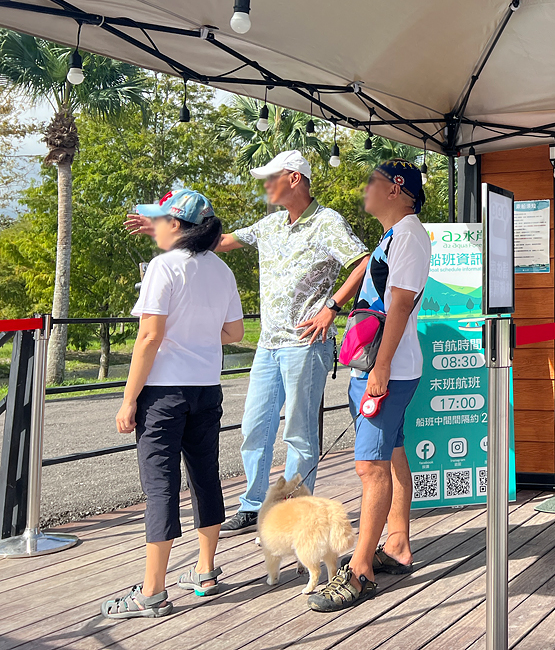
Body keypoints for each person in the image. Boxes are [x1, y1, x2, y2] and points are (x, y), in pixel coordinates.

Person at [125, 150, 369, 535]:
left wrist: (332, 307)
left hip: (306, 343)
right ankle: (254, 505)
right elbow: (216, 241)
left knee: (299, 434)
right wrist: (162, 229)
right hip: (268, 346)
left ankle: (296, 513)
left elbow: (364, 261)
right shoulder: (270, 224)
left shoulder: (327, 222)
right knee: (254, 427)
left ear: (294, 178)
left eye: (271, 178)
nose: (266, 185)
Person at [103, 189, 244, 619]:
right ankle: (205, 571)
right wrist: (197, 333)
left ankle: (152, 592)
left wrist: (128, 400)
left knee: (161, 487)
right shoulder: (221, 269)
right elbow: (234, 333)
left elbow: (149, 337)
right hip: (207, 388)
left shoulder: (164, 267)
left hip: (163, 393)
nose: (154, 228)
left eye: (160, 221)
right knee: (205, 477)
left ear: (177, 225)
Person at [309, 159, 431, 612]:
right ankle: (396, 544)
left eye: (372, 182)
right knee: (392, 454)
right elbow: (378, 284)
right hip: (381, 366)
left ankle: (360, 571)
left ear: (396, 188)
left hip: (388, 369)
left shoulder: (409, 236)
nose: (365, 190)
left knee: (369, 468)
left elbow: (399, 306)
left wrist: (380, 369)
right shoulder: (394, 235)